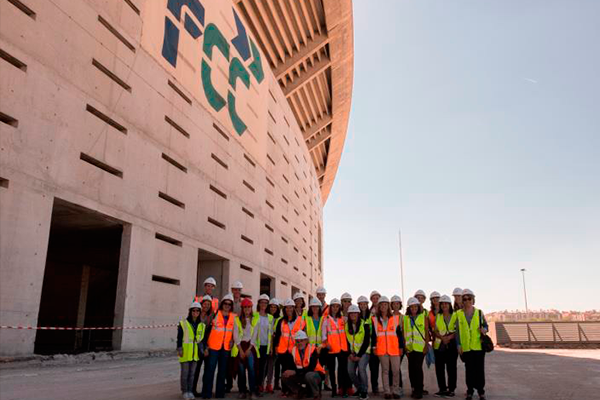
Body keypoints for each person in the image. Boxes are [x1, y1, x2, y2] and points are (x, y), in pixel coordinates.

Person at [202, 294, 236, 399]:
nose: (227, 305)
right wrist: (205, 346)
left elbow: (235, 332)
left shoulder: (234, 317)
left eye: (229, 304)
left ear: (231, 306)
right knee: (210, 371)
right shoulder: (215, 314)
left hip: (225, 348)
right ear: (222, 304)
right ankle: (206, 394)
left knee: (222, 372)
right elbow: (205, 331)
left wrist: (233, 341)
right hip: (213, 347)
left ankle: (219, 394)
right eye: (225, 303)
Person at [456, 289, 488, 400]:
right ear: (462, 301)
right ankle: (469, 391)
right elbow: (457, 332)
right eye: (464, 299)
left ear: (473, 299)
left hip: (478, 347)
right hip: (466, 347)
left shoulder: (479, 312)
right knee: (469, 370)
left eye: (469, 298)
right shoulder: (458, 314)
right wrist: (458, 345)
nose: (467, 301)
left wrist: (484, 329)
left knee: (479, 370)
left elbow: (486, 326)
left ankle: (481, 391)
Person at [371, 296, 403, 400]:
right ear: (379, 307)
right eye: (381, 304)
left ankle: (396, 390)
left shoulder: (395, 319)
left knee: (395, 371)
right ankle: (387, 392)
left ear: (388, 306)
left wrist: (401, 347)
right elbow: (374, 336)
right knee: (385, 370)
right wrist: (374, 347)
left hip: (394, 349)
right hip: (381, 349)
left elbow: (399, 335)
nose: (383, 306)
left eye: (385, 304)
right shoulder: (375, 319)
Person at [274, 298, 307, 396]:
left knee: (294, 370)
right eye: (287, 308)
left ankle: (293, 390)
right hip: (283, 350)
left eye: (291, 308)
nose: (289, 310)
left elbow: (304, 335)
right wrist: (276, 347)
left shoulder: (301, 321)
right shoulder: (281, 321)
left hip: (295, 349)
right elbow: (278, 335)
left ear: (294, 308)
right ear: (284, 309)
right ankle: (285, 391)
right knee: (284, 370)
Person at [281, 331, 326, 400]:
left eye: (301, 341)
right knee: (284, 375)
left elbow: (311, 368)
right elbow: (290, 366)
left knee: (309, 375)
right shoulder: (293, 350)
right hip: (302, 374)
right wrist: (288, 371)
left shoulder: (313, 350)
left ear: (306, 340)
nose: (299, 343)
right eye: (297, 341)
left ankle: (316, 394)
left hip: (316, 374)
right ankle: (300, 391)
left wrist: (295, 372)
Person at [321, 298, 350, 397]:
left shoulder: (343, 319)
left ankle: (344, 390)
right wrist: (326, 343)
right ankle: (334, 389)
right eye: (333, 306)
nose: (335, 308)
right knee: (332, 370)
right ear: (330, 307)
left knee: (343, 370)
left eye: (337, 306)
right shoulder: (326, 319)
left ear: (339, 308)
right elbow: (323, 334)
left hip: (342, 348)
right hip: (331, 348)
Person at [178, 301, 206, 399]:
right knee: (185, 374)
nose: (195, 312)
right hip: (185, 353)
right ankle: (185, 391)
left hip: (195, 354)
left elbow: (201, 340)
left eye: (197, 311)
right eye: (193, 310)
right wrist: (180, 349)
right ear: (190, 311)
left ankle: (190, 391)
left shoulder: (202, 325)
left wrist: (203, 350)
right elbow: (179, 338)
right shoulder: (183, 323)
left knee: (192, 374)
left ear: (199, 312)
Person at [403, 297, 430, 399]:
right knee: (411, 368)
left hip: (420, 348)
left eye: (415, 306)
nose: (414, 308)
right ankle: (414, 388)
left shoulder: (423, 317)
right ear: (409, 308)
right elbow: (404, 334)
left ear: (418, 307)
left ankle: (419, 390)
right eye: (412, 307)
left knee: (418, 368)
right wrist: (405, 347)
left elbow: (427, 332)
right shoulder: (405, 319)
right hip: (409, 348)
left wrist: (426, 346)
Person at [233, 298, 259, 399]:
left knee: (252, 369)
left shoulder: (255, 319)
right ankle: (242, 391)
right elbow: (235, 335)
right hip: (240, 346)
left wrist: (249, 349)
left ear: (251, 308)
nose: (247, 309)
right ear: (242, 308)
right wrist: (240, 350)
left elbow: (255, 335)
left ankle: (252, 391)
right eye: (245, 307)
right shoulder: (237, 320)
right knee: (241, 370)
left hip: (250, 346)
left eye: (249, 307)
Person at [432, 295, 458, 398]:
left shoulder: (455, 315)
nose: (444, 305)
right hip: (440, 345)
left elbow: (458, 330)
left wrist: (449, 337)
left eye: (446, 303)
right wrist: (442, 338)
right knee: (439, 368)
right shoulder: (438, 316)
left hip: (451, 345)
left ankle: (451, 389)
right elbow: (435, 330)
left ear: (449, 305)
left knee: (451, 368)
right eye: (442, 304)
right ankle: (442, 389)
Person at [346, 305, 371, 400]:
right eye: (351, 313)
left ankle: (364, 391)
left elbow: (366, 341)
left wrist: (359, 355)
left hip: (364, 352)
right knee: (350, 371)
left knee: (361, 369)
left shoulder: (365, 324)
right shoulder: (346, 326)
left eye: (355, 313)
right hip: (352, 353)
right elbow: (346, 341)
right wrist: (349, 353)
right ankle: (360, 389)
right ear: (349, 314)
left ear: (358, 314)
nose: (353, 314)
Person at [192, 296, 215, 397]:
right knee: (196, 369)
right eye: (205, 304)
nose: (206, 306)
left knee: (207, 369)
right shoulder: (196, 314)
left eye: (208, 304)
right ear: (201, 304)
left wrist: (207, 347)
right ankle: (193, 390)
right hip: (196, 343)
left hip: (207, 343)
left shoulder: (211, 316)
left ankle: (205, 391)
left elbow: (211, 332)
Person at [255, 294, 274, 394]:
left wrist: (270, 347)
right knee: (256, 367)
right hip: (256, 346)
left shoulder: (270, 317)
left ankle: (259, 386)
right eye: (262, 302)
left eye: (265, 303)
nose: (263, 304)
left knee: (263, 367)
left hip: (265, 346)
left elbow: (270, 333)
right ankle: (256, 385)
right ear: (259, 303)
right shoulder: (254, 315)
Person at [265, 298, 282, 393]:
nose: (273, 308)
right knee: (263, 366)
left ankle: (269, 384)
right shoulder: (265, 316)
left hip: (275, 345)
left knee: (271, 366)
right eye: (271, 306)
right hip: (265, 344)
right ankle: (259, 384)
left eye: (275, 307)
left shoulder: (279, 319)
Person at [367, 291, 381, 395]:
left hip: (384, 343)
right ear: (371, 300)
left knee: (386, 368)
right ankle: (375, 387)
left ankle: (389, 387)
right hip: (373, 343)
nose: (375, 300)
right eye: (374, 298)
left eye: (377, 298)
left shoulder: (385, 310)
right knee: (374, 367)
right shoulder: (368, 312)